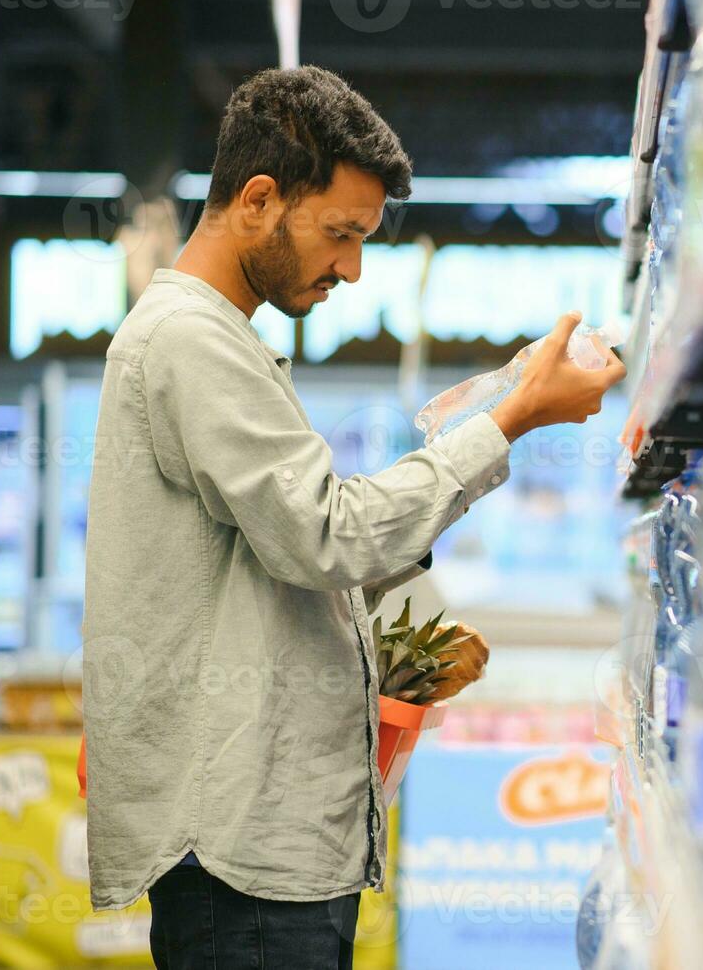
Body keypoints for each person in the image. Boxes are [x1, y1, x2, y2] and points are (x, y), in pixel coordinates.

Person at [81, 65, 625, 969]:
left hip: (265, 853)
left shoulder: (223, 342)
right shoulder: (189, 339)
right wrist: (511, 419)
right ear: (258, 199)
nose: (350, 267)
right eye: (339, 233)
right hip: (241, 867)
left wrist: (405, 645)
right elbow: (324, 534)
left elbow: (284, 547)